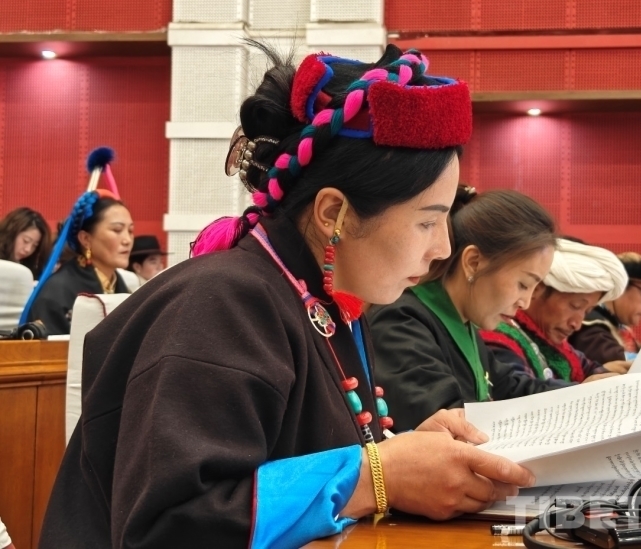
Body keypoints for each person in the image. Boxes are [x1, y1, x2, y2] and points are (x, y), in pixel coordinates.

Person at [39, 44, 535, 549]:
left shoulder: (325, 301)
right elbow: (172, 526)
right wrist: (377, 476)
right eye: (427, 222)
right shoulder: (221, 303)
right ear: (333, 213)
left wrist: (407, 454)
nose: (443, 248)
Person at [367, 186, 581, 431]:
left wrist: (585, 393)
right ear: (473, 262)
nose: (526, 302)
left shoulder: (465, 325)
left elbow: (511, 387)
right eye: (523, 284)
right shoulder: (401, 323)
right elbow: (449, 424)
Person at [482, 238, 631, 383]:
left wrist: (607, 372)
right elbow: (521, 390)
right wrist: (580, 391)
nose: (577, 324)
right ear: (537, 289)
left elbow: (587, 369)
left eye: (587, 312)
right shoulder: (498, 336)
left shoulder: (558, 347)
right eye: (575, 306)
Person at [24, 193, 133, 335]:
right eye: (117, 230)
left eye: (130, 231)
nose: (127, 240)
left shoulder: (121, 285)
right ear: (86, 239)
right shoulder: (56, 292)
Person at [0, 207, 51, 279]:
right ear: (11, 233)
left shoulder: (26, 270)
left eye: (35, 246)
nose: (28, 249)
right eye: (25, 241)